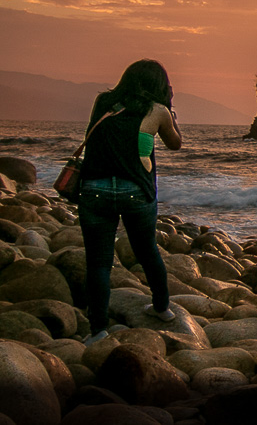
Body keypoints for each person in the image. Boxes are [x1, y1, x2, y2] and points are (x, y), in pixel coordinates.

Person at [78, 59, 182, 344]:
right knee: (147, 251)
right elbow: (176, 143)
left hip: (94, 188)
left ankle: (98, 331)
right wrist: (170, 108)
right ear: (161, 86)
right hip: (136, 191)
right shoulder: (158, 111)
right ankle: (162, 308)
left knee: (98, 263)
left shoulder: (103, 102)